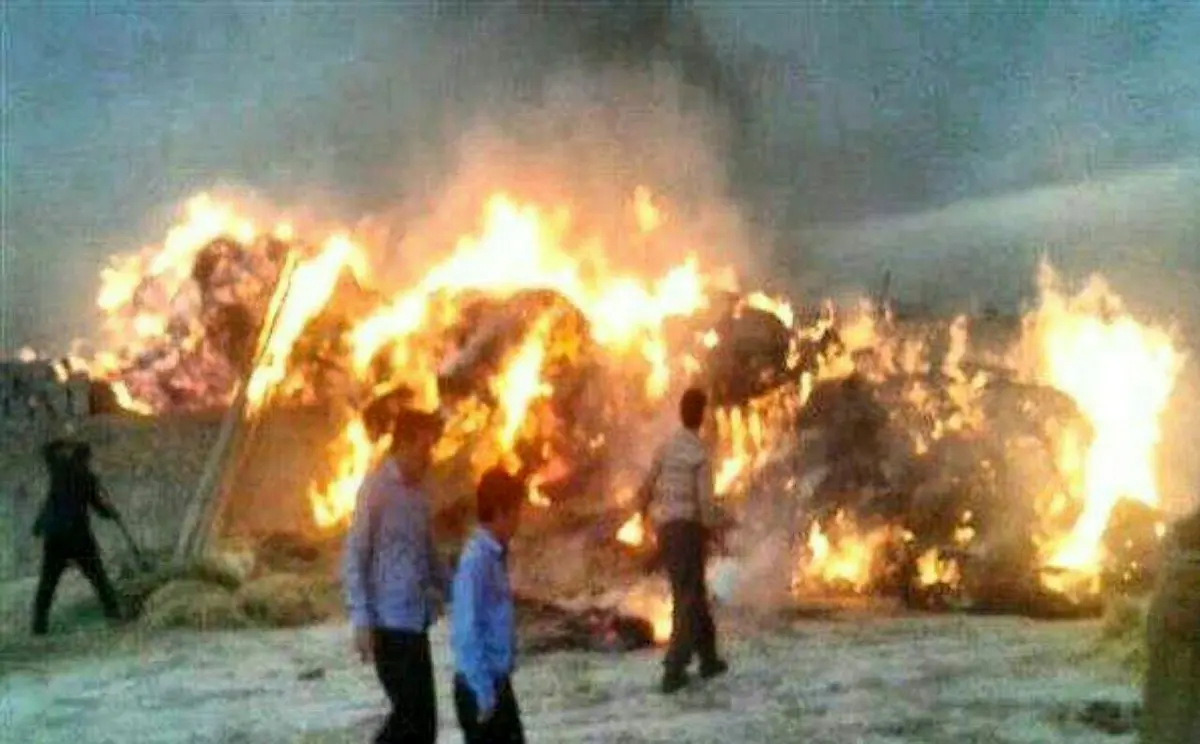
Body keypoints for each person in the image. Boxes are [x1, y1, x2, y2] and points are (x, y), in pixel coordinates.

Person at [343, 408, 448, 744]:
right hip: (387, 625)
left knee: (424, 726)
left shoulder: (418, 497)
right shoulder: (376, 489)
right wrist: (361, 619)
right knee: (410, 717)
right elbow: (355, 554)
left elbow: (429, 556)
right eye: (423, 448)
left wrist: (459, 591)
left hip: (415, 624)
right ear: (402, 444)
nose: (428, 457)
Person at [637, 387, 729, 694]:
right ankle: (674, 669)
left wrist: (644, 515)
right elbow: (705, 501)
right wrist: (713, 529)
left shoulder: (666, 446)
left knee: (693, 591)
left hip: (666, 529)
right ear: (701, 416)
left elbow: (647, 485)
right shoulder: (699, 453)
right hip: (687, 529)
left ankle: (709, 658)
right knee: (688, 598)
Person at [451, 467, 527, 743]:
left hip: (496, 682)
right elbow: (467, 631)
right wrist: (484, 693)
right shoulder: (476, 561)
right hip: (480, 687)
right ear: (499, 511)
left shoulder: (493, 556)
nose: (519, 522)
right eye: (516, 513)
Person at [31, 439, 124, 635]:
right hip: (78, 537)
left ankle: (38, 626)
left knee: (47, 583)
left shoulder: (59, 467)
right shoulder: (87, 477)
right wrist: (113, 514)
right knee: (98, 578)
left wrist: (65, 442)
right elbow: (98, 507)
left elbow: (47, 448)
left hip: (55, 536)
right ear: (86, 459)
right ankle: (114, 615)